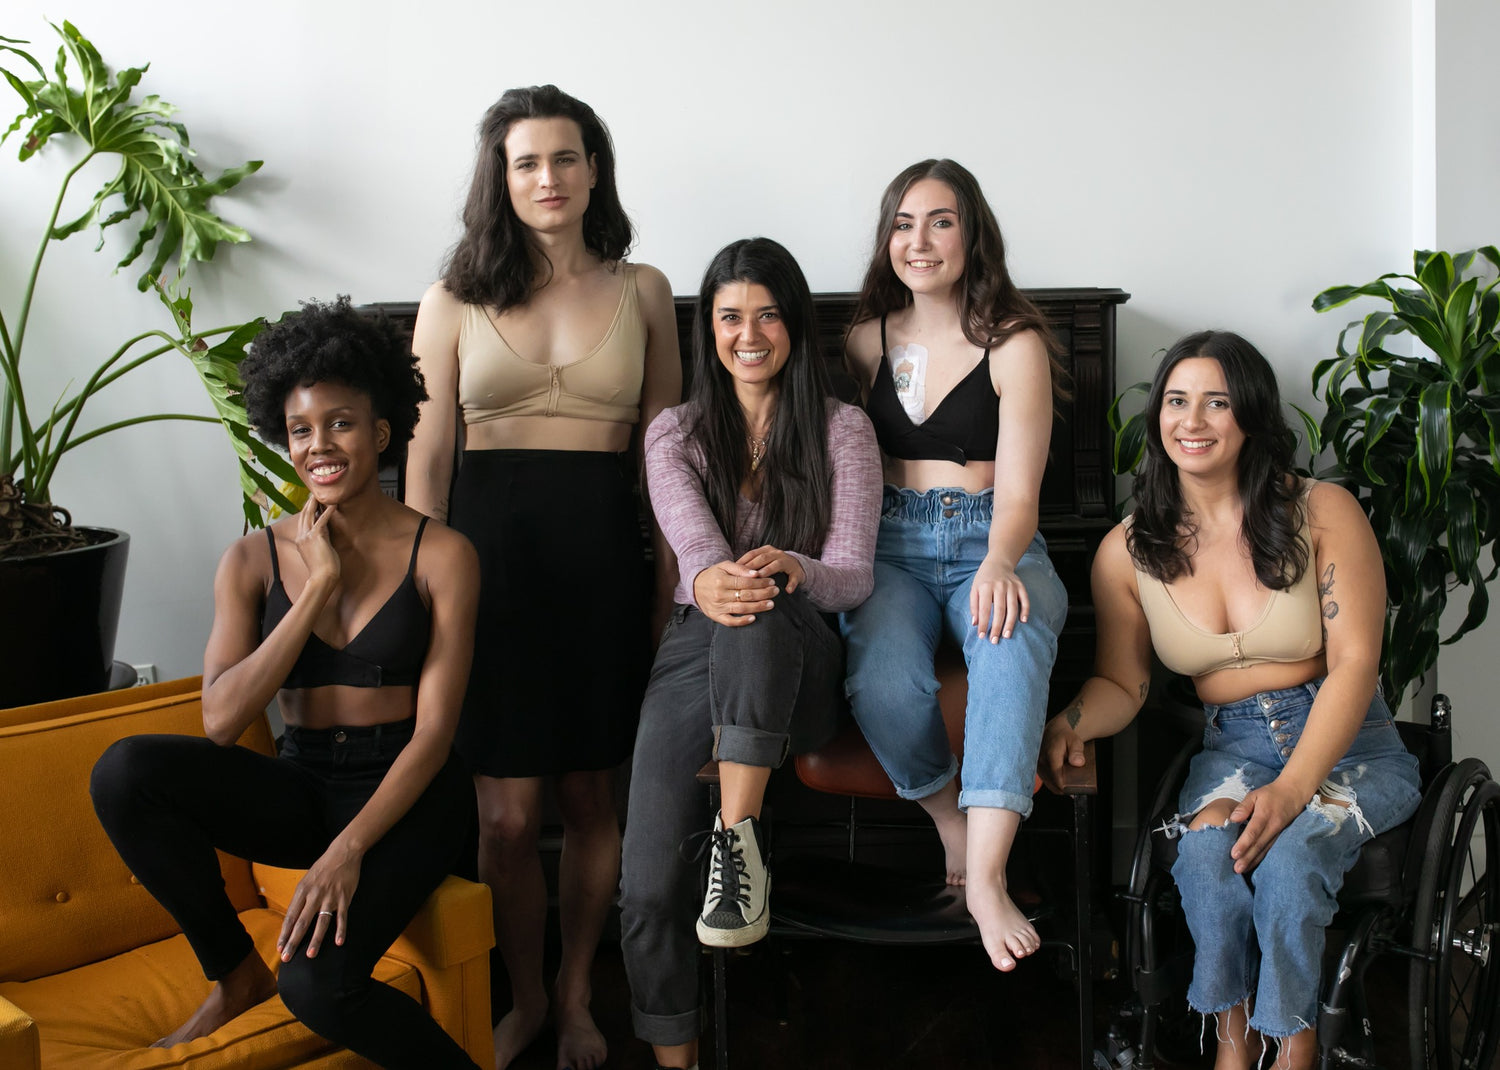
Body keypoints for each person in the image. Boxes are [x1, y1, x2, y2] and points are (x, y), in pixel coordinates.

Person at [90, 297, 482, 1069]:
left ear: (380, 432)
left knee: (317, 987)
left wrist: (347, 850)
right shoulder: (250, 561)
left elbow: (436, 735)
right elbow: (220, 720)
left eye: (340, 423)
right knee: (126, 772)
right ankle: (235, 973)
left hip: (406, 794)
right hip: (303, 783)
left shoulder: (443, 556)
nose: (319, 446)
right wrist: (313, 593)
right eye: (301, 430)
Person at [1040, 330, 1420, 1070]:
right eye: (1176, 401)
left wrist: (1294, 788)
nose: (1192, 420)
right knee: (1208, 852)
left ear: (1251, 415)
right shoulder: (1129, 550)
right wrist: (1069, 723)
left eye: (1216, 402)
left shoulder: (1323, 512)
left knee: (1291, 857)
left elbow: (1355, 665)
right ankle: (1233, 1042)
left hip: (1350, 741)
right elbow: (1123, 684)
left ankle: (1295, 1044)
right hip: (1233, 746)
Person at [404, 85, 680, 1070]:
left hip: (603, 565)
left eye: (566, 158)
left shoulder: (645, 289)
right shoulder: (450, 301)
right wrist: (424, 601)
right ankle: (522, 996)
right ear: (502, 178)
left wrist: (669, 592)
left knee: (592, 797)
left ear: (594, 170)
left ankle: (573, 998)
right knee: (506, 816)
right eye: (527, 162)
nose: (548, 178)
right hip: (489, 574)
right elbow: (428, 469)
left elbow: (665, 460)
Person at [618, 237, 881, 1070]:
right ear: (711, 330)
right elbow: (695, 549)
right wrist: (713, 578)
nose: (749, 334)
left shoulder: (843, 429)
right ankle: (677, 1059)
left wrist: (796, 567)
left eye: (767, 315)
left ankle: (738, 846)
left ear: (794, 324)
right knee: (648, 885)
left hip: (798, 659)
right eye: (731, 317)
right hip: (694, 644)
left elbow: (854, 575)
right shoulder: (676, 431)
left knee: (762, 601)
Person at [838, 159, 1070, 972]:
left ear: (973, 235)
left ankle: (988, 880)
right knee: (882, 675)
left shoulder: (1014, 343)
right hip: (892, 543)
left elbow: (1021, 492)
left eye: (940, 221)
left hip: (991, 535)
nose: (920, 240)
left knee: (1009, 648)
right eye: (903, 224)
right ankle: (952, 826)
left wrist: (1000, 562)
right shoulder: (864, 341)